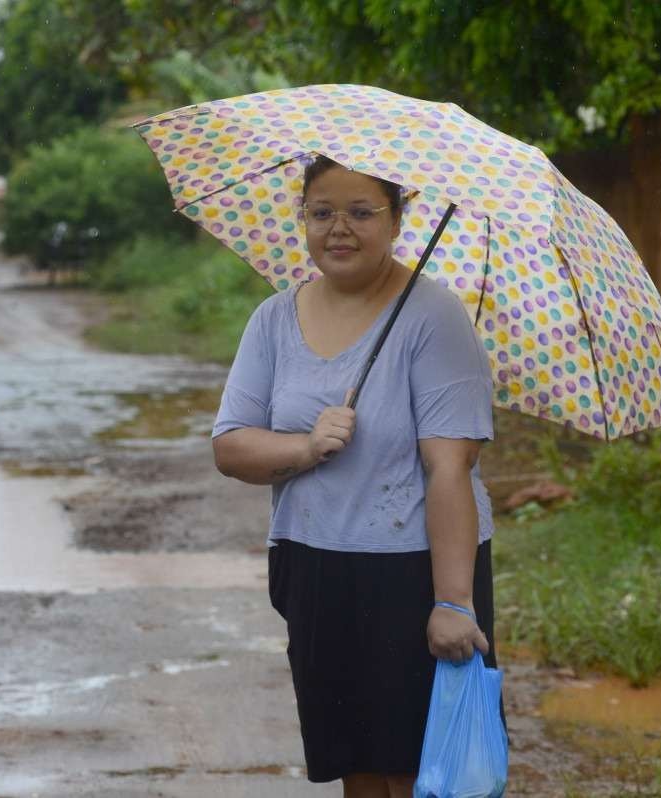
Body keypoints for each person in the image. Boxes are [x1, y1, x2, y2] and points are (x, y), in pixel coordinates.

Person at [211, 155, 498, 798]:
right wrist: (307, 447)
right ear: (303, 219)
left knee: (419, 768)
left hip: (415, 567)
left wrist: (452, 603)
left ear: (398, 219)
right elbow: (231, 446)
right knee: (355, 762)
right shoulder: (272, 319)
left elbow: (449, 467)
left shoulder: (434, 317)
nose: (340, 228)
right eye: (322, 212)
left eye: (362, 212)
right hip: (313, 565)